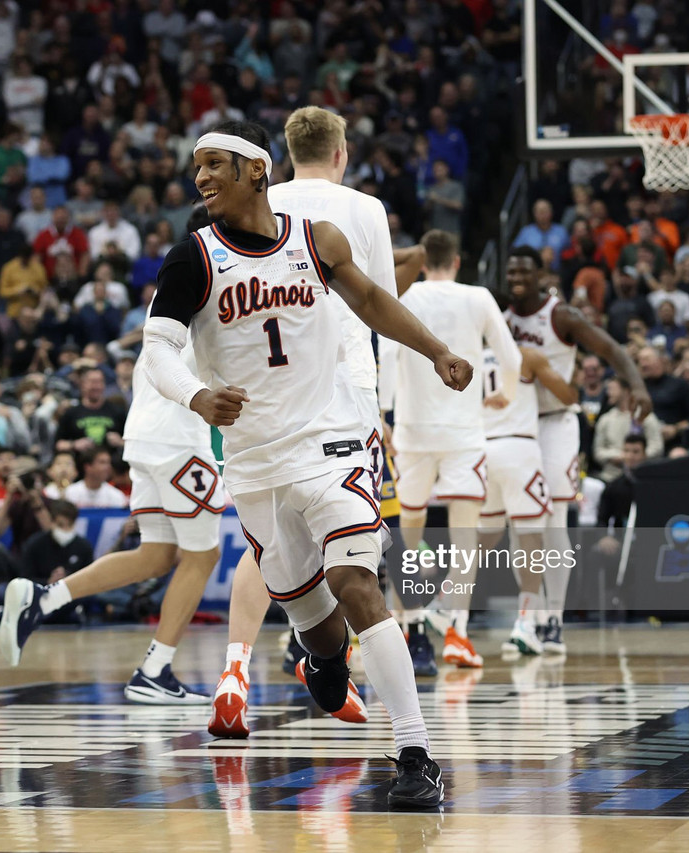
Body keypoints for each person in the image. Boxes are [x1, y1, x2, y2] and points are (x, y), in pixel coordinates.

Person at [139, 121, 471, 808]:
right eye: (196, 167)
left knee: (357, 581)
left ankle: (414, 752)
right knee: (316, 622)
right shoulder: (191, 258)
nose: (201, 177)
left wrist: (436, 350)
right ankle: (322, 654)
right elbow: (158, 351)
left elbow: (376, 301)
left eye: (215, 165)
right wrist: (197, 393)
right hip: (257, 461)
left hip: (334, 437)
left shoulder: (315, 239)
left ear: (257, 170)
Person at [207, 106, 394, 727]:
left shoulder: (262, 202)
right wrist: (385, 407)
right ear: (342, 153)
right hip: (345, 398)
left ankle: (240, 665)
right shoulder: (364, 209)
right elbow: (381, 308)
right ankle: (335, 657)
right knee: (354, 554)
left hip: (267, 397)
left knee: (270, 539)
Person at [0, 339, 225, 704]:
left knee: (156, 555)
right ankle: (155, 671)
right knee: (203, 555)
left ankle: (43, 599)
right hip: (180, 439)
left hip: (142, 437)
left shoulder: (166, 296)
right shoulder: (212, 286)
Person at [383, 228, 520, 672]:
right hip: (463, 432)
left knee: (409, 530)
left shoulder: (407, 294)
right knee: (465, 536)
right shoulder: (479, 297)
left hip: (413, 431)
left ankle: (408, 620)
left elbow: (386, 357)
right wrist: (507, 394)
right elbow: (511, 357)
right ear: (458, 261)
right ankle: (457, 631)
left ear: (423, 263)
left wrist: (383, 412)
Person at [504, 245, 651, 654]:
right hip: (515, 427)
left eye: (523, 272)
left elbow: (611, 349)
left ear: (540, 275)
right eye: (510, 272)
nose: (515, 279)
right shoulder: (498, 313)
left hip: (556, 424)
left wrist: (637, 385)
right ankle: (529, 619)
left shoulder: (561, 315)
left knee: (553, 522)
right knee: (522, 526)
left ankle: (554, 619)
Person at [479, 346, 577, 656]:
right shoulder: (527, 354)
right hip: (522, 444)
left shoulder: (466, 352)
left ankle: (549, 619)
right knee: (531, 531)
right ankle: (531, 620)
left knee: (511, 529)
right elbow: (570, 394)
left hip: (490, 444)